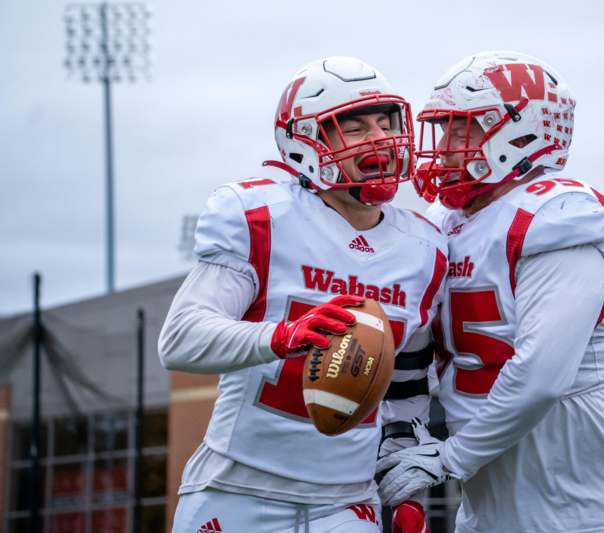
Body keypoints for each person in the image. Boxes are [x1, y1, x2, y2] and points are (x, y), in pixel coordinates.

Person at [377, 50, 604, 532]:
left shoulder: (560, 213)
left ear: (523, 131)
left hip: (593, 485)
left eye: (463, 128)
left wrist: (451, 458)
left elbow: (542, 372)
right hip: (499, 484)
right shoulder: (443, 223)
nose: (446, 146)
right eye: (444, 128)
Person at [158, 56, 447, 533]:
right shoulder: (261, 217)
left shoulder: (424, 248)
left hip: (346, 500)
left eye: (386, 122)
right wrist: (282, 336)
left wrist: (407, 491)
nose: (379, 140)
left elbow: (408, 384)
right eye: (353, 128)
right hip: (238, 489)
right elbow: (180, 340)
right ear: (305, 143)